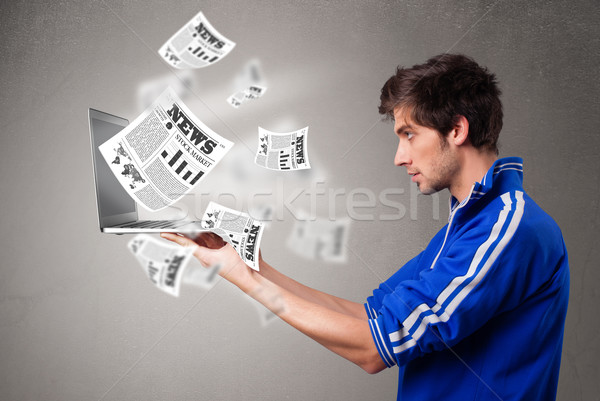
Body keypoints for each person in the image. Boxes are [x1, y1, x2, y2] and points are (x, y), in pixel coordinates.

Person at [161, 54, 570, 401]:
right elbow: (369, 317)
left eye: (409, 135)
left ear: (457, 130)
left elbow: (375, 348)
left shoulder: (508, 231)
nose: (399, 156)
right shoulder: (468, 227)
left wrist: (241, 280)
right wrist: (253, 268)